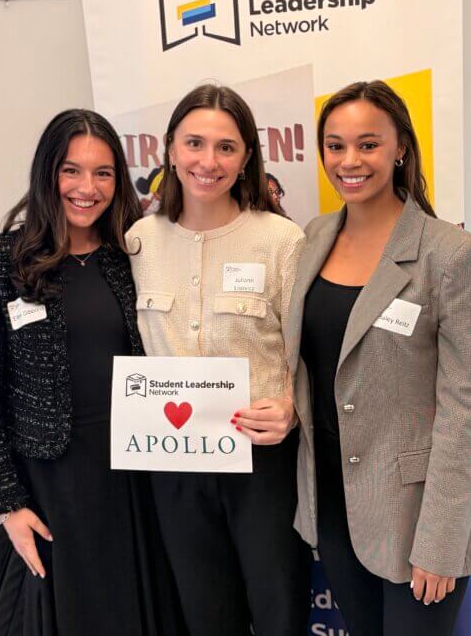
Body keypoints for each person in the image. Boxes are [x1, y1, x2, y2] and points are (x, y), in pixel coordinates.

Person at [0, 109, 183, 635]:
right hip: (55, 479)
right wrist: (8, 505)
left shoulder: (132, 254)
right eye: (71, 171)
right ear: (47, 174)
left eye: (103, 173)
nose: (87, 187)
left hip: (141, 467)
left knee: (152, 608)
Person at [285, 80, 471, 635]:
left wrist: (442, 541)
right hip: (333, 506)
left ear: (400, 147)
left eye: (367, 144)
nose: (349, 161)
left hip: (416, 519)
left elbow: (468, 406)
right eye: (335, 145)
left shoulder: (451, 255)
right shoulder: (314, 237)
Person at [126, 83, 309, 636]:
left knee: (280, 611)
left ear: (247, 157)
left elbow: (312, 353)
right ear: (171, 150)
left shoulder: (281, 241)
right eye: (195, 143)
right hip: (175, 463)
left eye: (226, 147)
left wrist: (292, 409)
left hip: (262, 462)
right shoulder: (136, 242)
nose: (209, 161)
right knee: (206, 616)